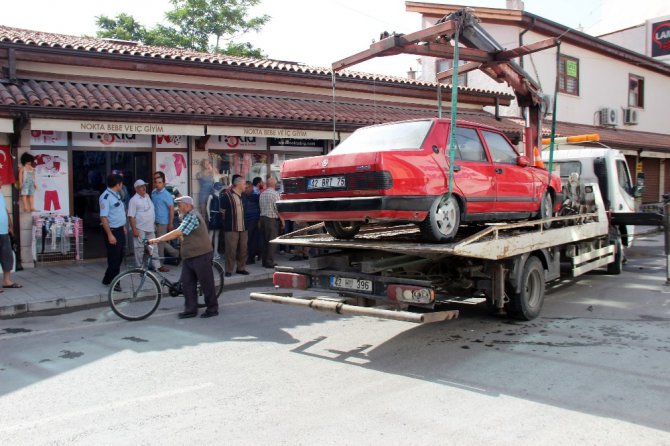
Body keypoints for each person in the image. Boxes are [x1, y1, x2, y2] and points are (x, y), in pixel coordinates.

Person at [148, 196, 218, 319]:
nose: (178, 208)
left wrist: (158, 239)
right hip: (190, 256)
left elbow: (178, 232)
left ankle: (212, 309)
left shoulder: (192, 216)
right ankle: (191, 309)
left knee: (206, 283)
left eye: (179, 206)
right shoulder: (186, 215)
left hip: (200, 254)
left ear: (187, 205)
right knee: (187, 283)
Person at [127, 179, 162, 271]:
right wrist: (134, 230)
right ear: (136, 189)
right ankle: (139, 267)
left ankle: (157, 266)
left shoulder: (147, 196)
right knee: (139, 248)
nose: (144, 188)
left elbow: (151, 211)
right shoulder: (133, 200)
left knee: (153, 247)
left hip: (150, 227)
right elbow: (131, 216)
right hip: (139, 228)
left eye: (144, 186)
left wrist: (153, 223)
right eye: (141, 186)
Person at [100, 173, 127, 287]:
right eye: (121, 183)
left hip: (120, 229)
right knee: (114, 258)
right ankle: (115, 282)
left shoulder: (116, 194)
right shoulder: (105, 197)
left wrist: (123, 226)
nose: (122, 185)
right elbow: (104, 217)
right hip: (112, 231)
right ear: (118, 184)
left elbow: (118, 212)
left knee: (119, 256)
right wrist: (110, 235)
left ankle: (107, 279)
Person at [220, 175, 248, 277]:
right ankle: (229, 270)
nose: (246, 185)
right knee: (231, 250)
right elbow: (222, 212)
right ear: (238, 184)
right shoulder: (226, 196)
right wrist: (226, 224)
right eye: (244, 183)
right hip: (231, 228)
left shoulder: (244, 195)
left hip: (244, 227)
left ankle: (241, 268)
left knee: (243, 249)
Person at [151, 171, 179, 270]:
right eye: (156, 182)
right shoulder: (153, 192)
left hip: (163, 221)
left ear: (163, 183)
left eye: (159, 182)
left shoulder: (166, 194)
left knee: (160, 242)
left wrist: (170, 223)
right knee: (159, 241)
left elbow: (171, 209)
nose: (157, 184)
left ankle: (160, 264)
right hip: (154, 221)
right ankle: (175, 253)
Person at [259, 175, 284, 268]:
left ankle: (264, 261)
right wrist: (282, 220)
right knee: (272, 242)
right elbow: (278, 209)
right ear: (274, 184)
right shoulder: (275, 194)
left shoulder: (262, 194)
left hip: (262, 219)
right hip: (271, 219)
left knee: (265, 241)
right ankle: (269, 262)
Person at [0, 199, 20, 289]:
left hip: (4, 230)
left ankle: (6, 281)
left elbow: (5, 210)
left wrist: (10, 226)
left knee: (7, 256)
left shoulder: (0, 194)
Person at [243, 179, 261, 265]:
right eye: (244, 188)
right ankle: (254, 255)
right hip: (246, 220)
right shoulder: (245, 196)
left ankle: (251, 257)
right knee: (252, 239)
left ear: (251, 187)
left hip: (254, 219)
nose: (245, 189)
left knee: (251, 239)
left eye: (246, 188)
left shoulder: (256, 196)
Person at [206, 181, 225, 260]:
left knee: (216, 235)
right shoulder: (211, 195)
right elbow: (207, 207)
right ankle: (209, 252)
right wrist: (209, 216)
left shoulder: (220, 195)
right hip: (213, 215)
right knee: (211, 234)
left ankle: (215, 252)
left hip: (218, 215)